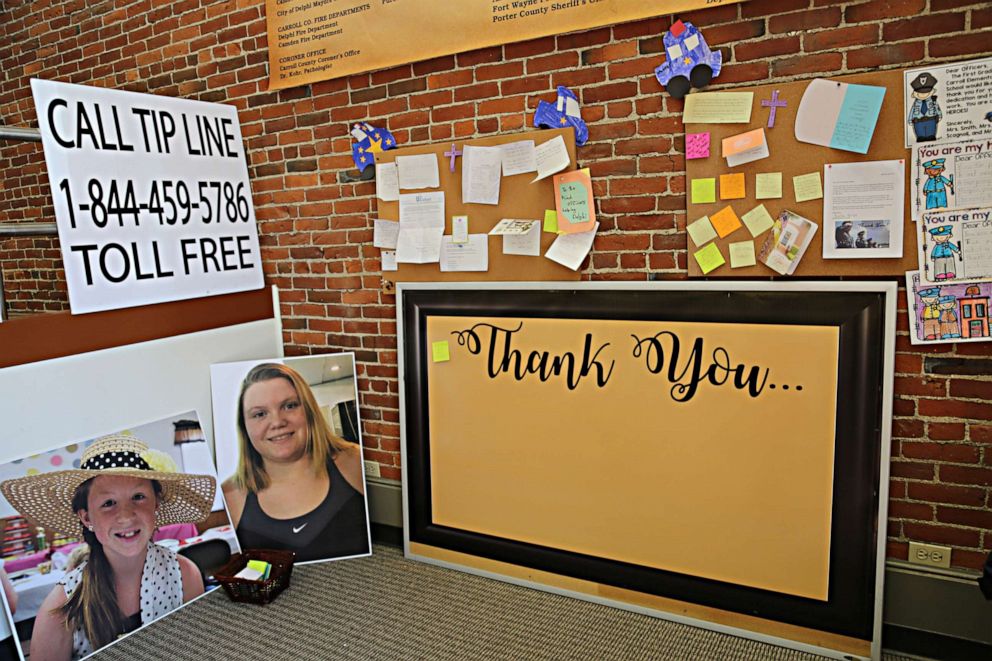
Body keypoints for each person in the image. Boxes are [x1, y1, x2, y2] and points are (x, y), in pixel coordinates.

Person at [0, 435, 215, 661]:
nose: (125, 516)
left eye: (138, 497)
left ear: (156, 506)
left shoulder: (184, 576)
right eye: (108, 503)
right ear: (86, 518)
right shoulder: (62, 608)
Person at [223, 363, 369, 563]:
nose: (277, 422)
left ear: (309, 411)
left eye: (289, 406)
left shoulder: (355, 461)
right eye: (259, 414)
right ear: (244, 427)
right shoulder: (229, 496)